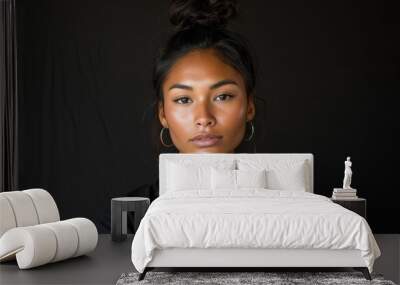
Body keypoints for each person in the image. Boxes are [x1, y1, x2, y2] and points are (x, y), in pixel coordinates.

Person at [98, 0, 263, 233]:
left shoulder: (295, 211)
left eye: (223, 96)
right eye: (184, 100)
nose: (204, 118)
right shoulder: (127, 219)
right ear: (163, 113)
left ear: (249, 106)